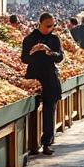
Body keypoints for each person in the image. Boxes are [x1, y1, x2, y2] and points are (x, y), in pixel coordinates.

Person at [21, 13, 64, 156]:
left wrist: (49, 51)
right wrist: (34, 51)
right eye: (48, 26)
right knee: (31, 110)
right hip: (34, 77)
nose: (50, 28)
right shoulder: (29, 39)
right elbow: (24, 58)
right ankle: (31, 144)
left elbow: (60, 57)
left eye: (52, 26)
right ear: (40, 23)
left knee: (49, 109)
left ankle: (47, 142)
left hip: (50, 76)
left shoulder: (54, 39)